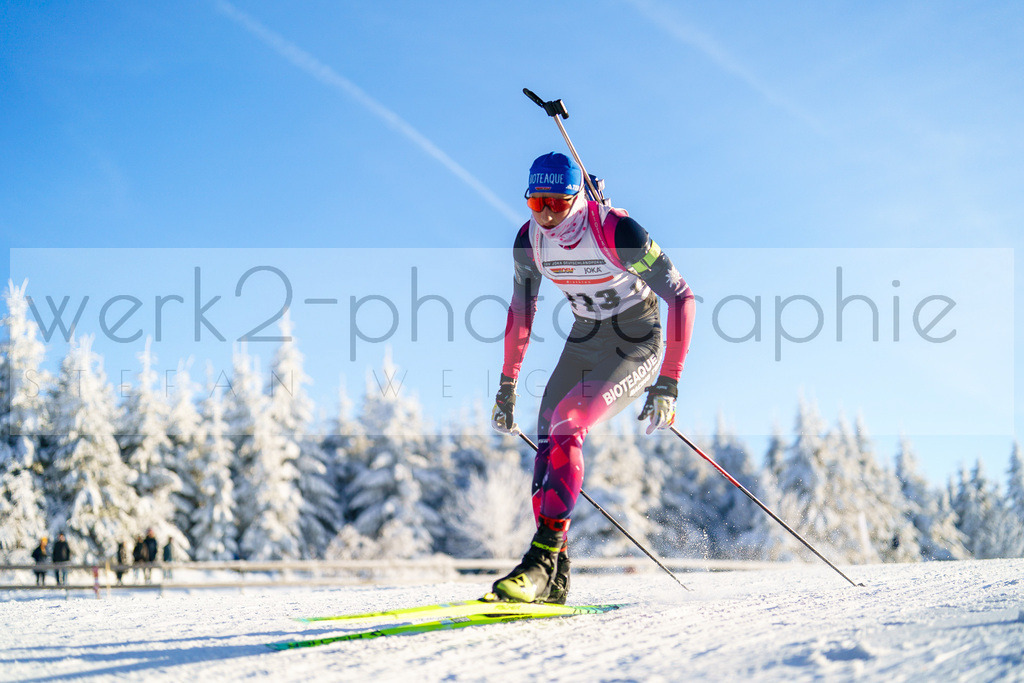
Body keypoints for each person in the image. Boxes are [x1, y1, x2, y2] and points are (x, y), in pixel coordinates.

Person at [490, 152, 695, 604]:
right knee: (547, 439)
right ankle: (555, 576)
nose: (545, 215)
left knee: (569, 422)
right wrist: (507, 385)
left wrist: (669, 382)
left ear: (577, 198)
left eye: (556, 204)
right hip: (586, 338)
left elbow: (680, 296)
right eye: (535, 203)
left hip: (636, 340)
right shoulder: (529, 242)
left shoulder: (617, 231)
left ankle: (540, 562)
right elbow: (522, 312)